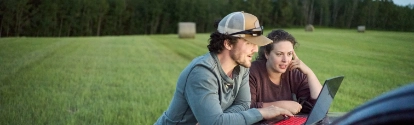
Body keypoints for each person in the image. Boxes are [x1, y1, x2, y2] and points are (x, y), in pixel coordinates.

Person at [155, 12, 293, 125]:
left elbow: (244, 104)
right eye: (249, 43)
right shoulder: (202, 73)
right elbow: (215, 123)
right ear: (228, 43)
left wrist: (219, 119)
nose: (256, 49)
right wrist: (261, 112)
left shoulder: (242, 67)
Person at [249, 30, 323, 116]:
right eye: (279, 54)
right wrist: (282, 106)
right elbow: (247, 108)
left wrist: (310, 73)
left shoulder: (293, 72)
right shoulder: (252, 72)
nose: (285, 60)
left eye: (289, 54)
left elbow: (319, 108)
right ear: (267, 54)